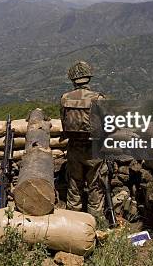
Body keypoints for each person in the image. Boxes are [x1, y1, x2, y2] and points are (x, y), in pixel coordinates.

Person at [60, 61, 106, 217]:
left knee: (74, 186)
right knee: (96, 187)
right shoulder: (98, 98)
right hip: (94, 150)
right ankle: (96, 224)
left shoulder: (65, 98)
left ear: (72, 79)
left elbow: (63, 123)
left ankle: (74, 224)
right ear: (89, 78)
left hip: (74, 148)